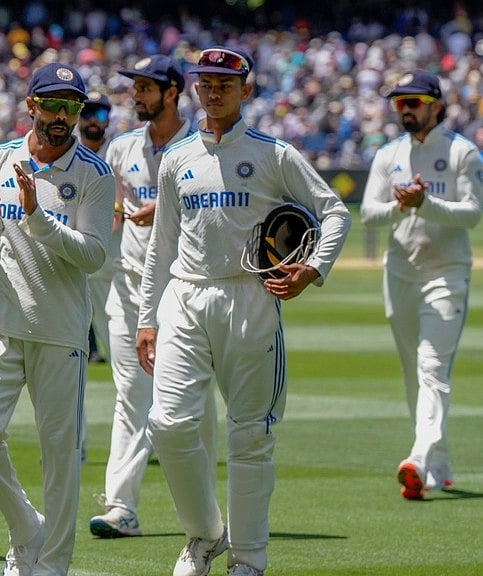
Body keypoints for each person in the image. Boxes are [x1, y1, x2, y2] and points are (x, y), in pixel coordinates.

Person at [134, 47, 351, 576]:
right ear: (194, 89)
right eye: (205, 83)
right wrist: (146, 318)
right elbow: (161, 247)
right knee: (167, 425)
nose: (213, 91)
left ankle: (249, 560)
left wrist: (312, 269)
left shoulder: (274, 153)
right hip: (184, 297)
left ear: (246, 91)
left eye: (225, 84)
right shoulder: (175, 157)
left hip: (252, 298)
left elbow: (334, 210)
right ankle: (205, 535)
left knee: (251, 433)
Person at [0, 62, 115, 576]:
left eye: (72, 107)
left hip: (61, 331)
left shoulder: (94, 174)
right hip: (0, 322)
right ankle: (27, 526)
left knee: (60, 457)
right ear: (31, 105)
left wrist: (37, 218)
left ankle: (50, 567)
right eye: (53, 105)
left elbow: (94, 257)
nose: (63, 116)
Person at [90, 55, 218, 539]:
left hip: (187, 291)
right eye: (135, 87)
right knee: (130, 396)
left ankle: (207, 515)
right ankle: (121, 506)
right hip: (128, 290)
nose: (136, 95)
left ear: (172, 93)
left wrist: (164, 211)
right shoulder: (123, 148)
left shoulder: (203, 146)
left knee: (196, 406)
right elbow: (112, 207)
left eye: (146, 87)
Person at [361, 70, 483, 500]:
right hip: (400, 275)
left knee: (433, 368)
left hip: (447, 273)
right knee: (416, 375)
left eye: (414, 102)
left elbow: (471, 213)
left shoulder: (461, 153)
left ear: (436, 105)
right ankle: (439, 464)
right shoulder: (388, 154)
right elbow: (368, 212)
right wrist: (402, 206)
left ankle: (416, 458)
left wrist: (425, 203)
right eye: (400, 103)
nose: (406, 109)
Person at [78, 91, 114, 464]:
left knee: (126, 363)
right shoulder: (68, 156)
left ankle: (142, 436)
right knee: (71, 363)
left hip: (114, 276)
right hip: (73, 274)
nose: (93, 119)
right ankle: (77, 445)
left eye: (100, 112)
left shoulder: (118, 157)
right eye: (87, 112)